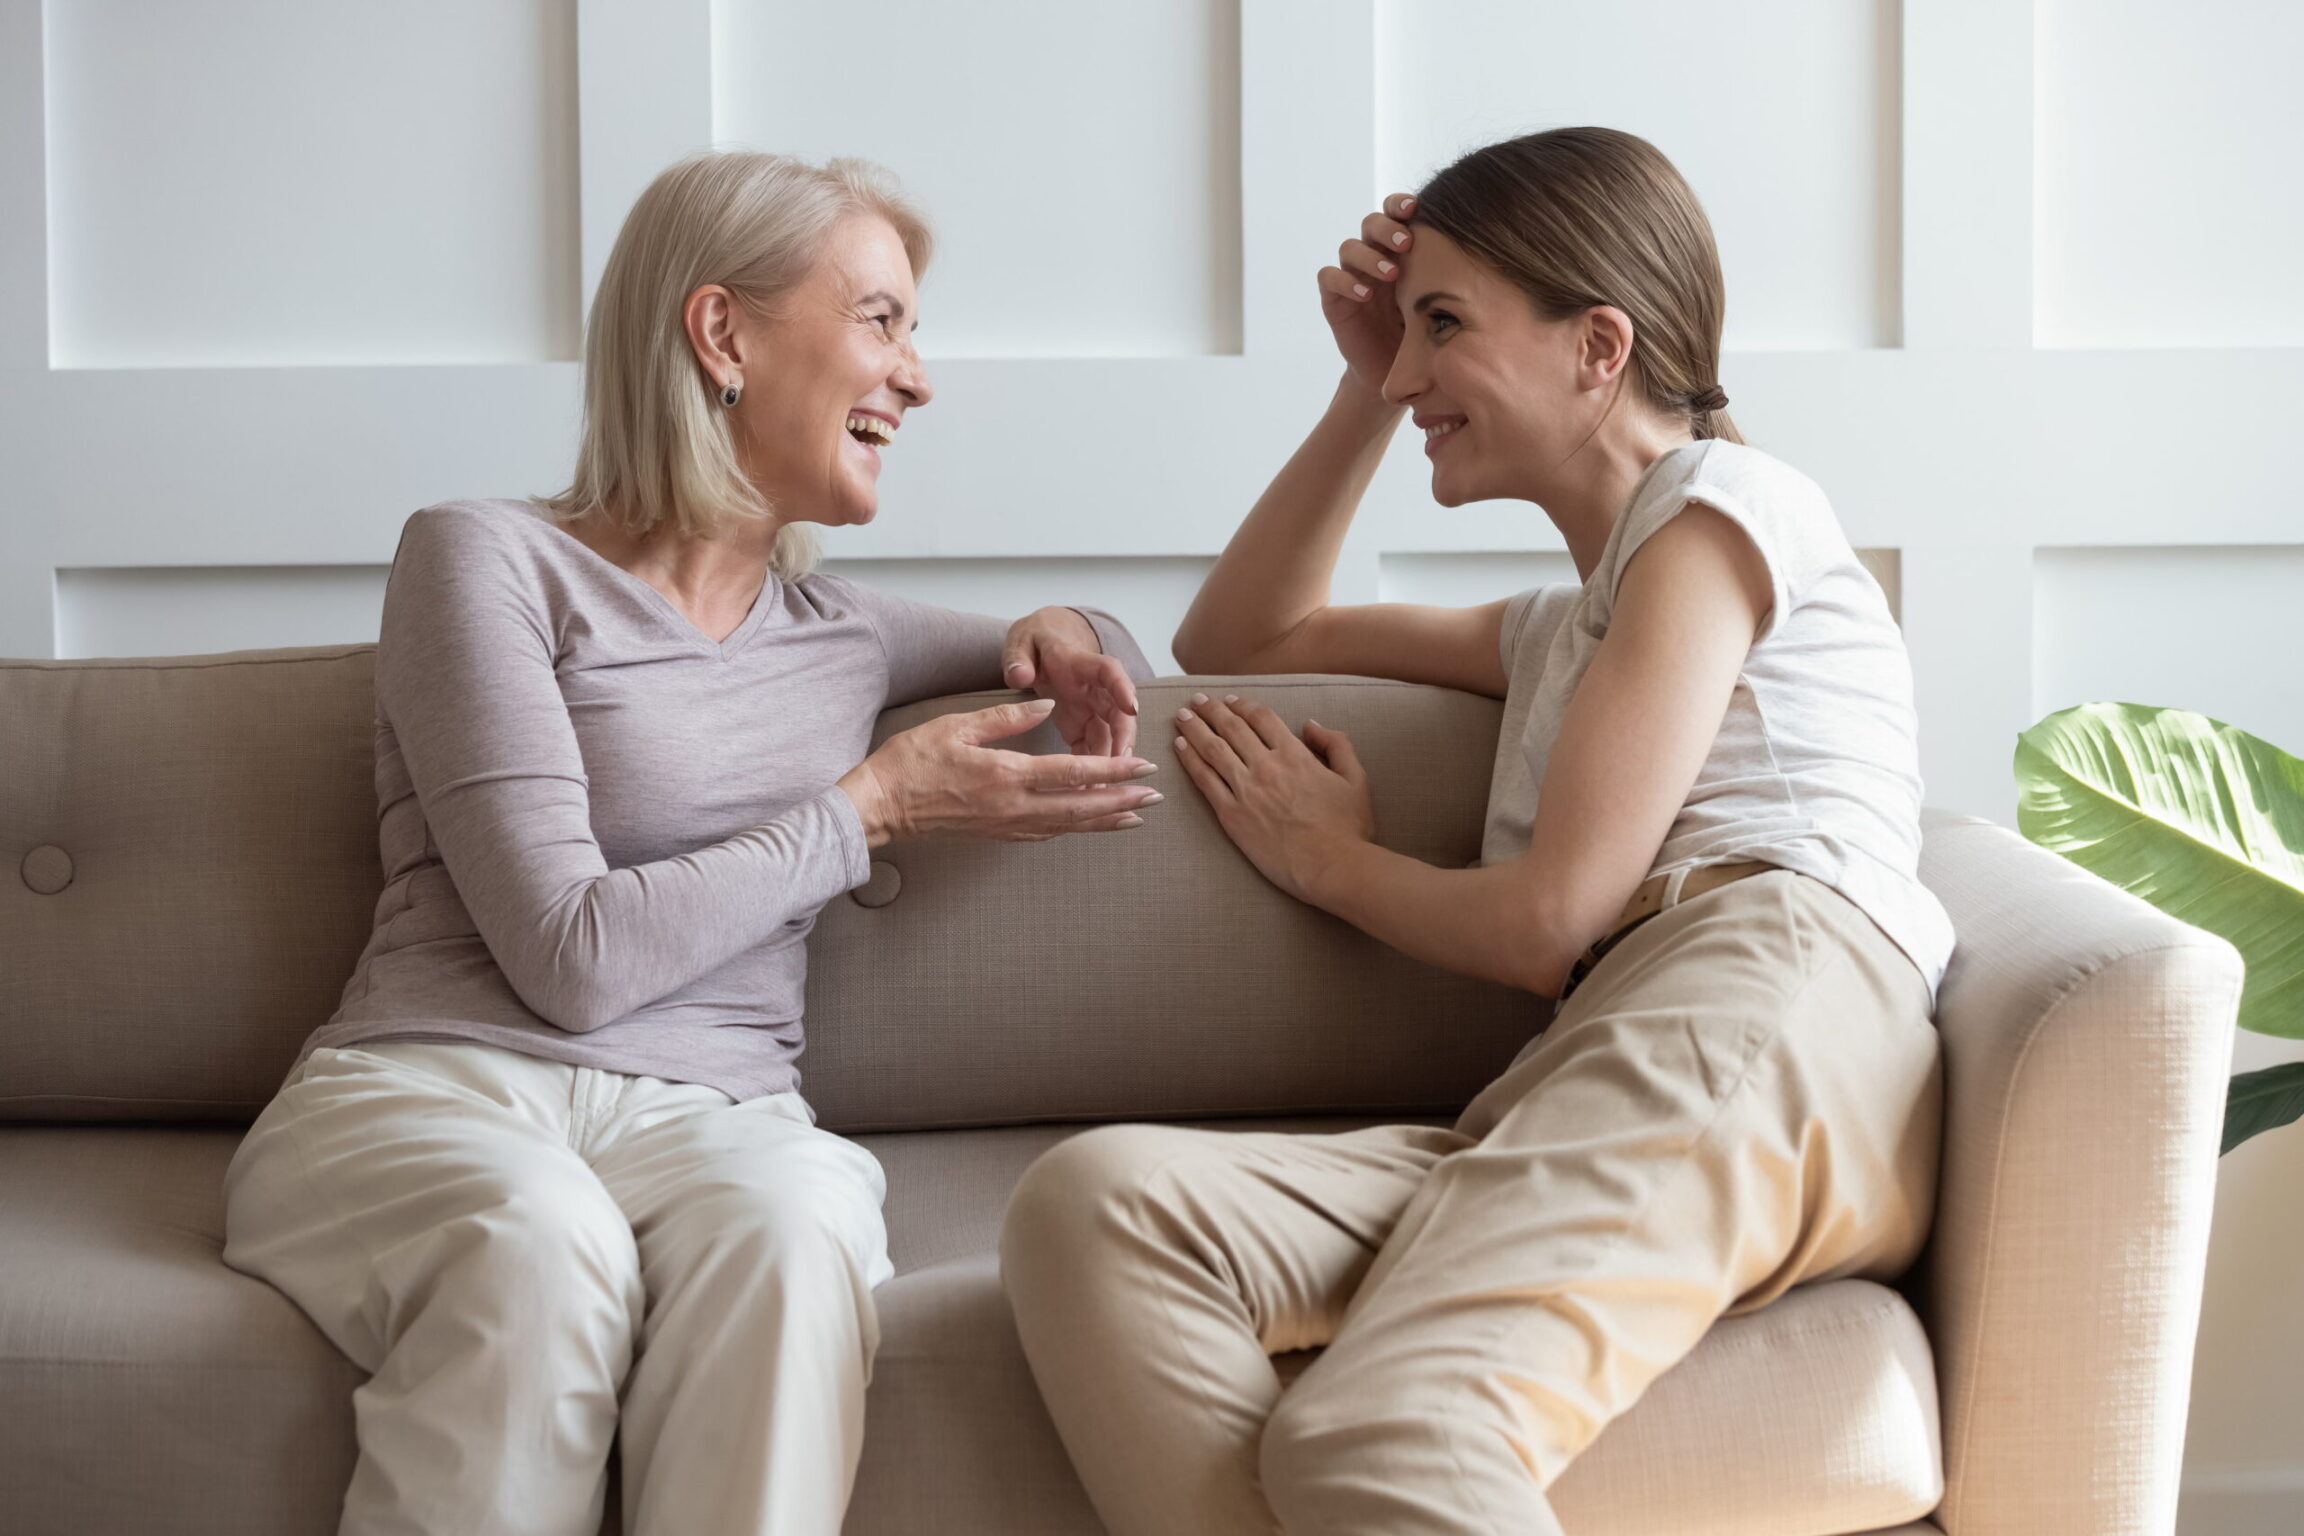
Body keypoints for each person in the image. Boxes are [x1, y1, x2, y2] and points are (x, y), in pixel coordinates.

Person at [999, 126, 1952, 1536]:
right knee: (1101, 1211)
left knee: (1388, 1433)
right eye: (1403, 335)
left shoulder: (1719, 510)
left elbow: (1549, 920)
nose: (1407, 369)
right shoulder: (1569, 628)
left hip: (1761, 1014)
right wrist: (1356, 395)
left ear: (1599, 345)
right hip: (1622, 1058)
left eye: (1441, 326)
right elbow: (1242, 638)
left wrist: (1334, 862)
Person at [222, 150, 1162, 1536]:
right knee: (542, 1247)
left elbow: (1114, 667)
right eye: (882, 321)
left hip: (719, 1118)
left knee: (796, 1235)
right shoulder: (482, 560)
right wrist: (870, 808)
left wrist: (1078, 629)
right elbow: (571, 958)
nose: (918, 377)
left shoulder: (847, 636)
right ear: (723, 334)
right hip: (440, 1092)